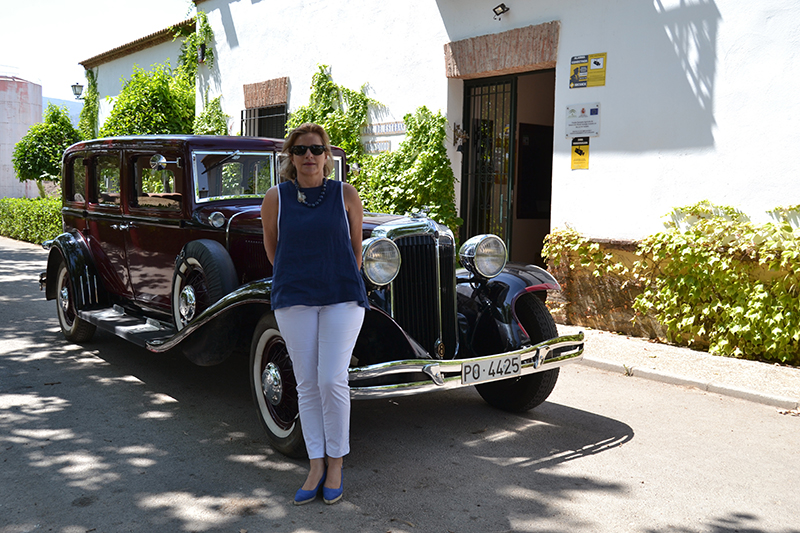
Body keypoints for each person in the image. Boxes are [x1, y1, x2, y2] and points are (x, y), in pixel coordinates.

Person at [260, 123, 368, 505]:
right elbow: (274, 252)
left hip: (341, 296)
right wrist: (302, 274)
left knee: (331, 380)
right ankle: (316, 463)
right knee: (305, 383)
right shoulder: (276, 197)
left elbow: (356, 251)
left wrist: (333, 274)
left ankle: (336, 462)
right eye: (302, 149)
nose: (309, 156)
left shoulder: (346, 194)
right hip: (294, 298)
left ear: (327, 157)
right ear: (290, 155)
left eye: (317, 149)